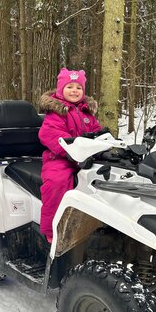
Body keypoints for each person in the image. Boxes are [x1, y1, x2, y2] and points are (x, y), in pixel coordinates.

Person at [38, 68, 102, 243]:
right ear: (60, 89)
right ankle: (53, 230)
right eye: (70, 86)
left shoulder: (86, 113)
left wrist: (104, 138)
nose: (75, 90)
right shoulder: (56, 112)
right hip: (60, 158)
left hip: (86, 158)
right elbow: (48, 133)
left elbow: (95, 130)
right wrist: (70, 148)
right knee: (57, 182)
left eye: (78, 87)